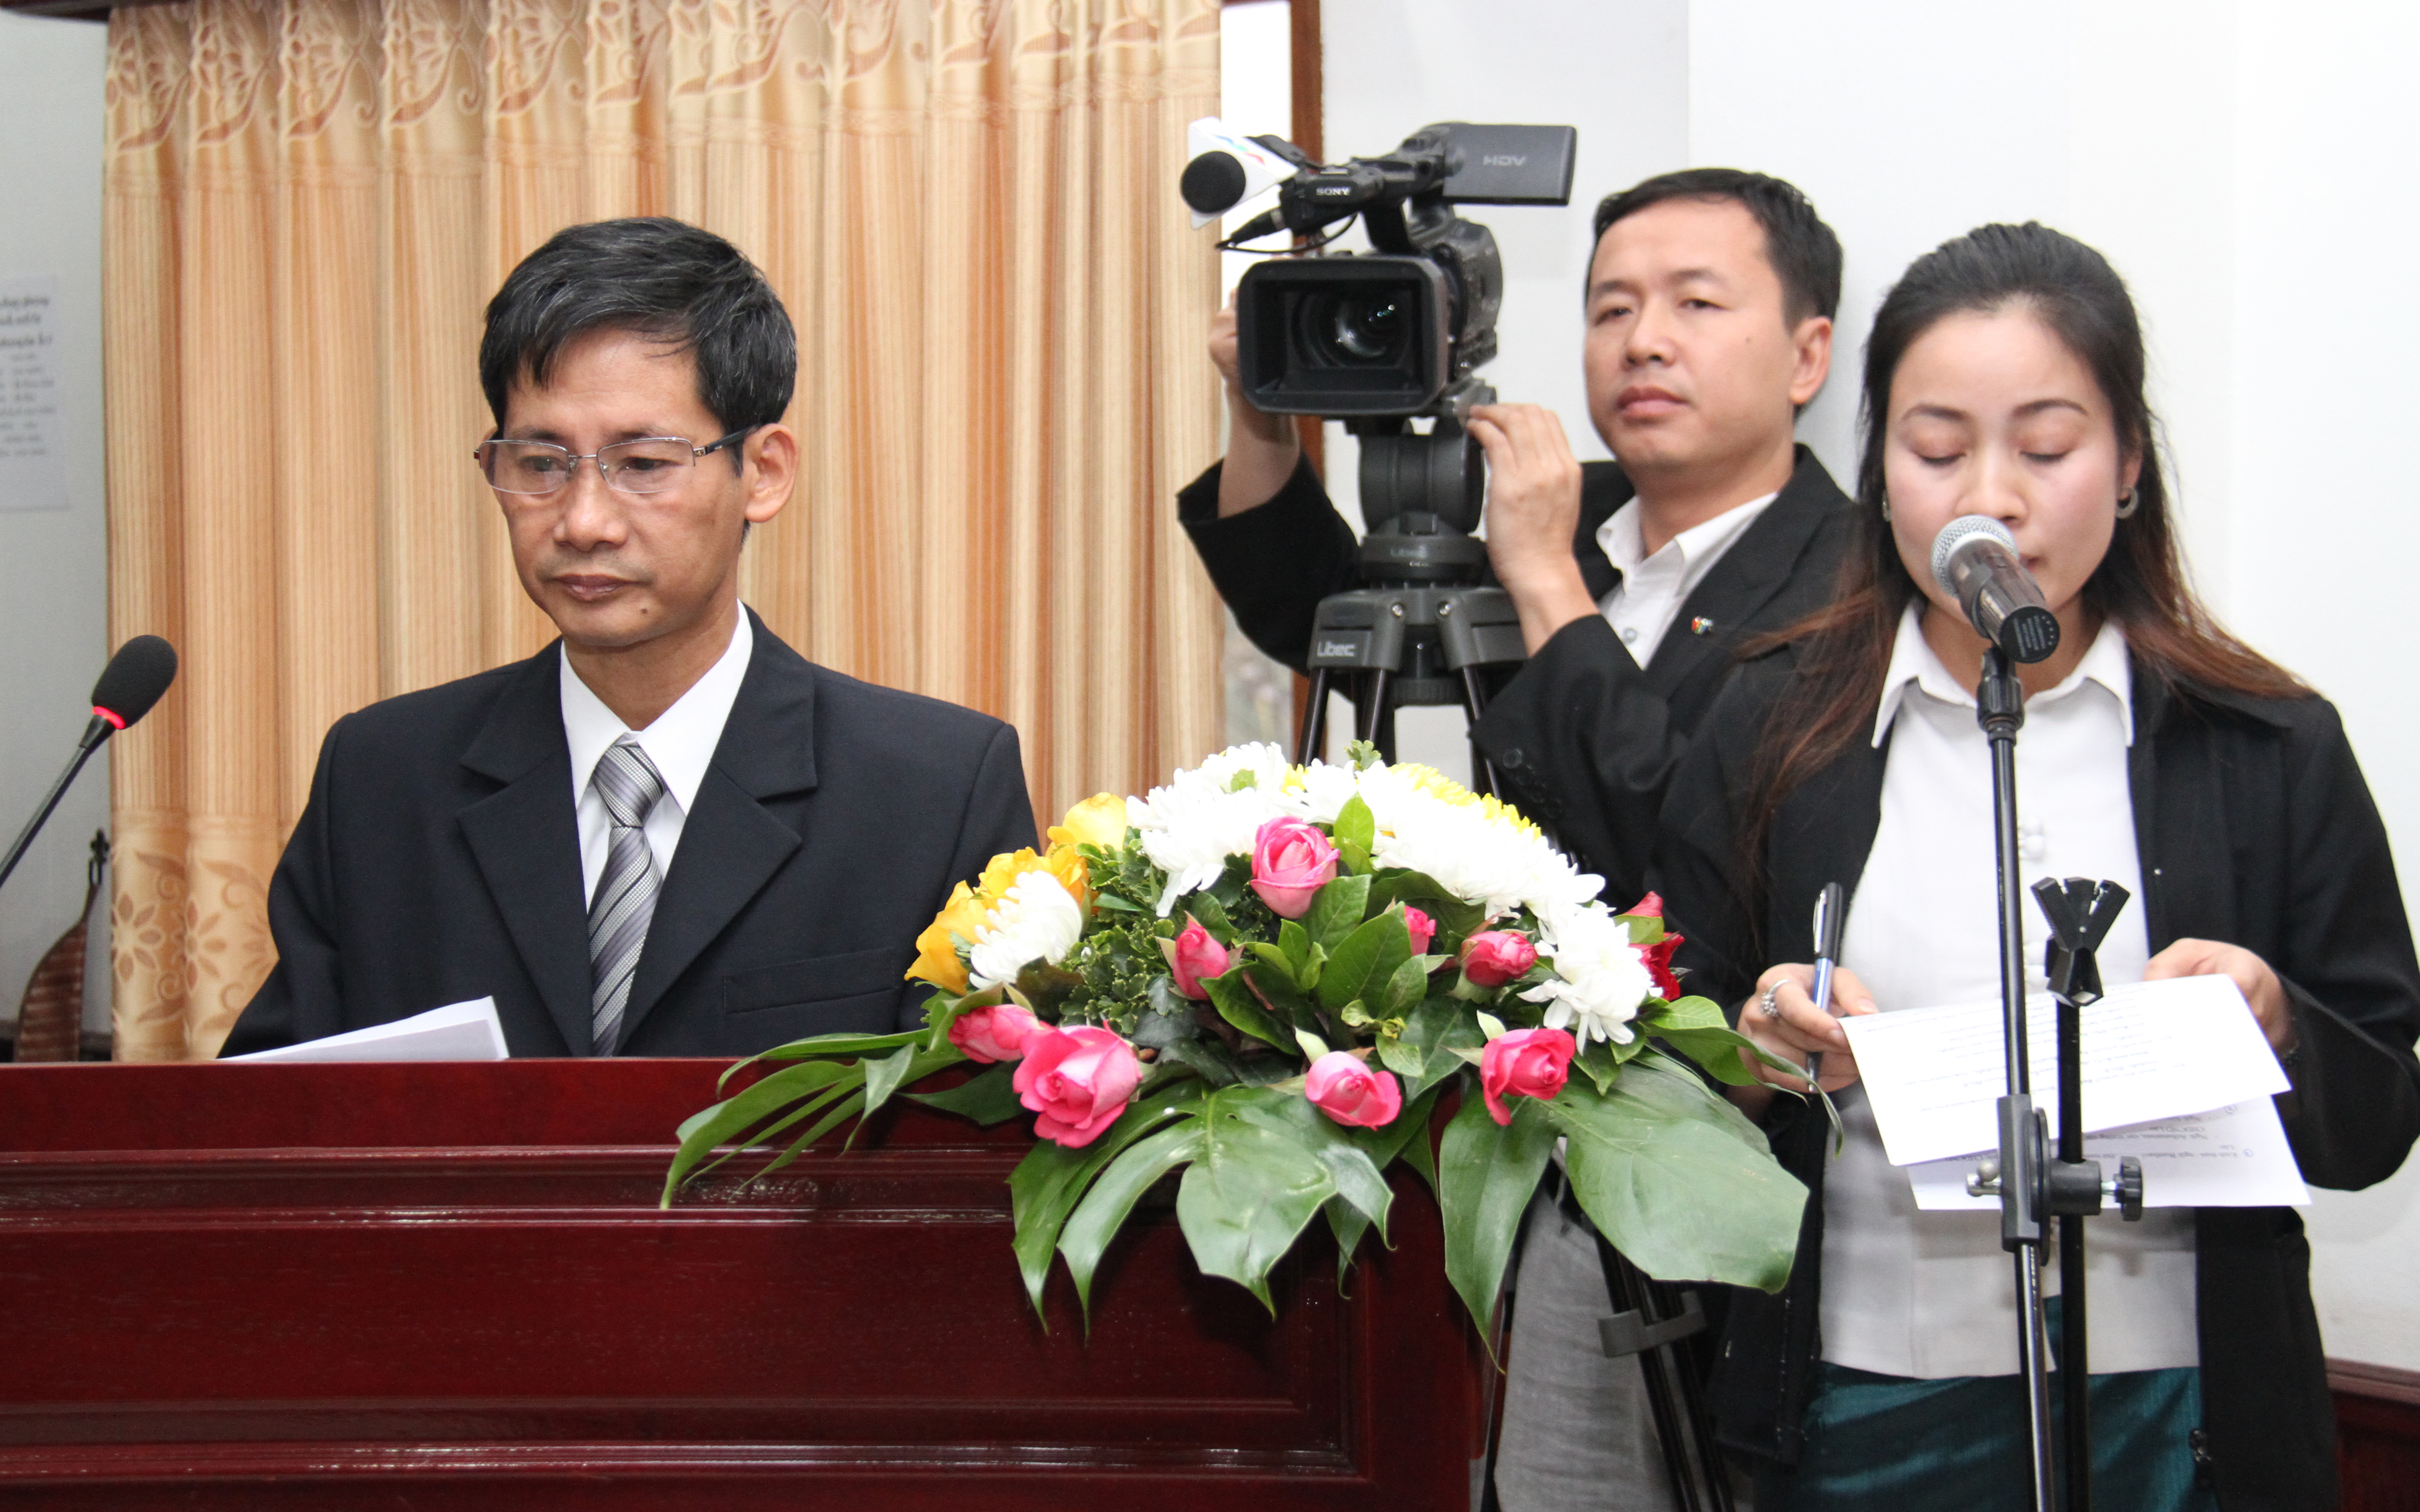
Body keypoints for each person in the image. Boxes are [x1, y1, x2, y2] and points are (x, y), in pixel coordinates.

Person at [1655, 222, 2420, 1509]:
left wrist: (2276, 1021)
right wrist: (1752, 1043)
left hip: (2178, 1399)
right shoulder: (1769, 722)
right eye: (1936, 449)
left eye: (2048, 448)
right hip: (1857, 1388)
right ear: (1880, 467)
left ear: (2127, 467)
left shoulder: (2267, 742)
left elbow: (2382, 1111)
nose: (1988, 498)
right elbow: (1658, 1073)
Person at [1182, 169, 1852, 1511]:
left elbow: (1677, 861)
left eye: (1695, 304)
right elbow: (1317, 616)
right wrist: (1267, 429)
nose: (1643, 340)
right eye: (1611, 307)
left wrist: (1543, 580)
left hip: (1739, 1163)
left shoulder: (1848, 582)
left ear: (1807, 355)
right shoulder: (1562, 506)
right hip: (1522, 1135)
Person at [223, 218, 1036, 1059]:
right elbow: (270, 1133)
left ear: (762, 472)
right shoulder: (382, 780)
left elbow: (984, 1146)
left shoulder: (934, 792)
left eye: (643, 464)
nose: (582, 521)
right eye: (540, 463)